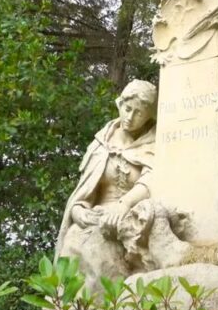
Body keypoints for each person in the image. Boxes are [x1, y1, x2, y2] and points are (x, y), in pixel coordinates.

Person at [54, 80, 157, 294]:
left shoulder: (155, 143)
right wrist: (78, 210)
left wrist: (123, 205)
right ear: (119, 104)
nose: (130, 117)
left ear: (149, 116)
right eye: (127, 109)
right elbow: (85, 191)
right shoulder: (101, 142)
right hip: (94, 216)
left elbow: (152, 180)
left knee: (98, 251)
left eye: (138, 113)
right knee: (73, 238)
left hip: (130, 218)